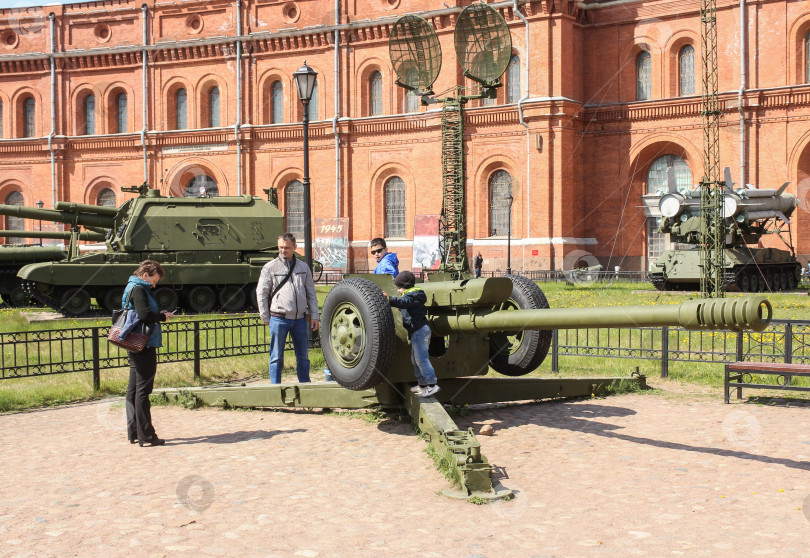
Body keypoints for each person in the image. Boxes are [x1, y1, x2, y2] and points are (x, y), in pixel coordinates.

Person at [256, 233, 320, 383]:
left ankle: (305, 387)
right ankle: (275, 388)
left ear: (294, 247)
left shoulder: (303, 267)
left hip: (299, 319)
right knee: (276, 357)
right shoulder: (270, 267)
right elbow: (261, 293)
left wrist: (315, 315)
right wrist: (265, 316)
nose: (283, 250)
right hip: (279, 318)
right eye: (281, 247)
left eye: (287, 247)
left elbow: (311, 292)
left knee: (303, 357)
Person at [124, 260, 175, 447]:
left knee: (134, 389)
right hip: (143, 343)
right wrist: (162, 317)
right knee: (143, 390)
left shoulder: (131, 286)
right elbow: (144, 315)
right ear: (145, 274)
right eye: (154, 281)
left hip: (133, 342)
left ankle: (134, 431)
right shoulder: (139, 289)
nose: (154, 285)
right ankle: (146, 434)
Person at [385, 271, 440, 397]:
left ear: (405, 286)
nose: (398, 291)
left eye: (399, 288)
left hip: (420, 331)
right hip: (416, 332)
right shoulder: (412, 295)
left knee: (421, 359)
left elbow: (403, 302)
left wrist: (389, 299)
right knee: (415, 360)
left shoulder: (413, 295)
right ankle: (422, 385)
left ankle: (432, 385)